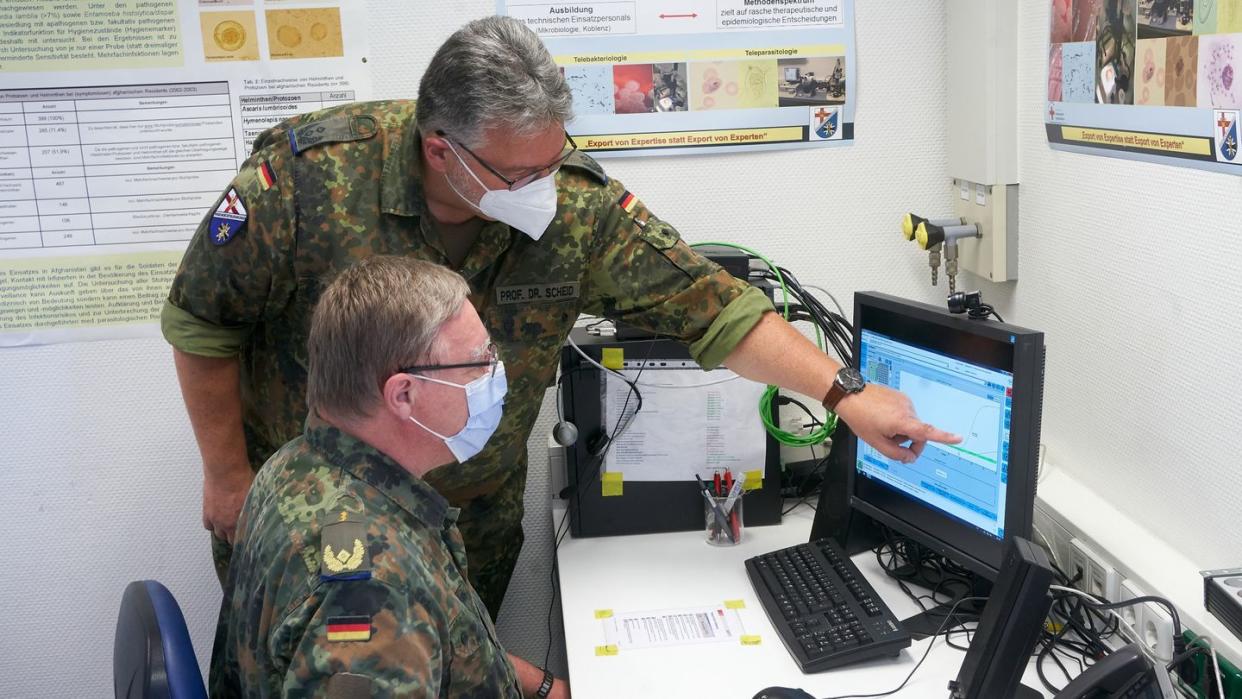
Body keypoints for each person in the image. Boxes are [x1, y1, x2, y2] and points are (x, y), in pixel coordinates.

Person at [163, 15, 958, 617]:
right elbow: (201, 320)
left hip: (469, 530)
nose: (546, 185)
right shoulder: (308, 181)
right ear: (441, 150)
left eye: (555, 158)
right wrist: (227, 476)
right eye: (522, 171)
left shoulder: (574, 207)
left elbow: (716, 311)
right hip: (318, 529)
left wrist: (846, 394)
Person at [210, 256, 568, 698]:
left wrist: (546, 689)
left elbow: (454, 646)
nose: (496, 374)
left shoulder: (299, 465)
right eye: (479, 361)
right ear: (403, 394)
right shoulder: (376, 592)